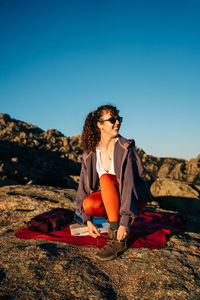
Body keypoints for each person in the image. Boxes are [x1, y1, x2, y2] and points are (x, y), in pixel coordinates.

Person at [76, 104, 151, 261]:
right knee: (89, 204)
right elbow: (82, 187)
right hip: (112, 197)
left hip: (134, 197)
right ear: (100, 124)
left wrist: (124, 223)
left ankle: (116, 237)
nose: (117, 122)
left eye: (118, 119)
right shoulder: (90, 153)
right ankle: (113, 221)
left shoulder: (125, 148)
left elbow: (129, 186)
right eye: (112, 120)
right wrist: (87, 221)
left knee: (106, 178)